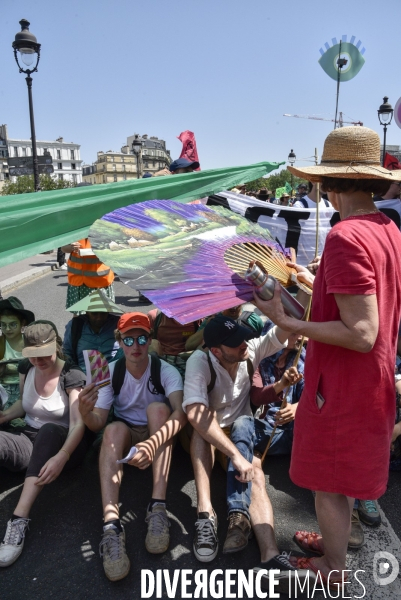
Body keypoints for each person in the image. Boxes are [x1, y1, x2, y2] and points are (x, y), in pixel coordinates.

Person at [254, 126, 401, 587]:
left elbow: (360, 331)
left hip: (340, 387)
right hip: (370, 383)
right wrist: (306, 279)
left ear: (332, 182)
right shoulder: (387, 228)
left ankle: (332, 570)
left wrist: (290, 321)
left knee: (327, 485)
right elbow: (360, 303)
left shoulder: (344, 236)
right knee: (343, 480)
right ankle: (335, 547)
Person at [183, 315, 308, 593]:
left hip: (239, 432)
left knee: (256, 473)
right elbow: (194, 413)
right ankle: (206, 514)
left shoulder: (248, 351)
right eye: (234, 343)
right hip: (210, 432)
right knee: (202, 433)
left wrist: (280, 299)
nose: (243, 345)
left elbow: (284, 328)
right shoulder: (199, 362)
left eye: (242, 337)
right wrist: (235, 456)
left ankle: (270, 555)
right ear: (216, 351)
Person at [77, 312, 186, 582]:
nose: (135, 346)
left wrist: (153, 441)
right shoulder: (111, 371)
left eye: (141, 338)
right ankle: (111, 525)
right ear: (120, 341)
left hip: (155, 432)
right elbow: (97, 423)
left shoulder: (164, 370)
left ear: (150, 340)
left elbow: (182, 414)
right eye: (128, 340)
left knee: (160, 409)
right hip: (126, 432)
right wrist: (84, 411)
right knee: (113, 429)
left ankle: (157, 507)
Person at [0, 321, 89, 567]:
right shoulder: (25, 368)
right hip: (29, 439)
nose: (38, 362)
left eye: (43, 356)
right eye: (33, 356)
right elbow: (25, 405)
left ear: (56, 347)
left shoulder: (71, 374)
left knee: (49, 430)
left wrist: (62, 455)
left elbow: (78, 424)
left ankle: (18, 519)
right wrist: (5, 415)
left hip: (64, 444)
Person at [250, 322, 305, 455]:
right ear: (278, 336)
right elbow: (256, 397)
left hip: (296, 427)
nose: (300, 337)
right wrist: (282, 384)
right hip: (267, 427)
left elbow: (311, 393)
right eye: (294, 333)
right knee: (241, 426)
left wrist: (296, 408)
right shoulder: (259, 359)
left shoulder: (301, 357)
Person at [63, 289, 123, 373]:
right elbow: (66, 352)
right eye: (94, 313)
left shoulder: (118, 324)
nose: (99, 318)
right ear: (87, 312)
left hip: (114, 373)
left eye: (103, 313)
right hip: (83, 376)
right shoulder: (75, 325)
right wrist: (75, 372)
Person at [0, 297, 35, 423]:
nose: (8, 329)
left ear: (22, 323)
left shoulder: (30, 343)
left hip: (26, 389)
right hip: (3, 389)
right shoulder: (0, 344)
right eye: (3, 325)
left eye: (13, 324)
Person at [61, 238, 115, 310]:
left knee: (102, 313)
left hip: (101, 281)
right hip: (78, 281)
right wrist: (71, 247)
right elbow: (63, 248)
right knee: (78, 314)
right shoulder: (73, 228)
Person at [185, 304, 264, 352]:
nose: (233, 307)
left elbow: (264, 344)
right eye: (229, 304)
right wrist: (208, 327)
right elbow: (189, 346)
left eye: (236, 303)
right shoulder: (214, 320)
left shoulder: (253, 319)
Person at [148, 309, 200, 377]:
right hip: (162, 360)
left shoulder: (197, 316)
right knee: (151, 342)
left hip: (187, 359)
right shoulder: (155, 316)